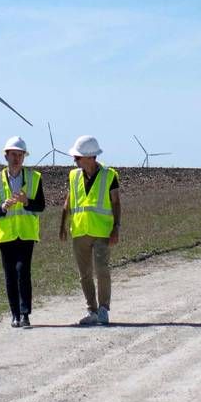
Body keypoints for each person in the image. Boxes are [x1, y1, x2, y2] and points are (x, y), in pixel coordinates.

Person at [59, 135, 121, 326]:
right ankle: (91, 310)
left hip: (102, 231)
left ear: (90, 157)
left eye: (78, 157)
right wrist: (62, 225)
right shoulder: (73, 176)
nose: (74, 160)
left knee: (102, 269)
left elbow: (116, 203)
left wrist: (116, 228)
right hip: (79, 231)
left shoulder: (109, 175)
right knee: (84, 273)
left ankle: (103, 309)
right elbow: (68, 202)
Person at [0, 136, 46, 328]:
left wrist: (26, 201)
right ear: (6, 156)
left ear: (24, 157)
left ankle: (25, 313)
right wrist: (3, 207)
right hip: (5, 234)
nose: (17, 158)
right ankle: (14, 314)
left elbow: (41, 206)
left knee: (23, 272)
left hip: (27, 234)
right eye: (13, 155)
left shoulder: (34, 178)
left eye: (20, 155)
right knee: (10, 275)